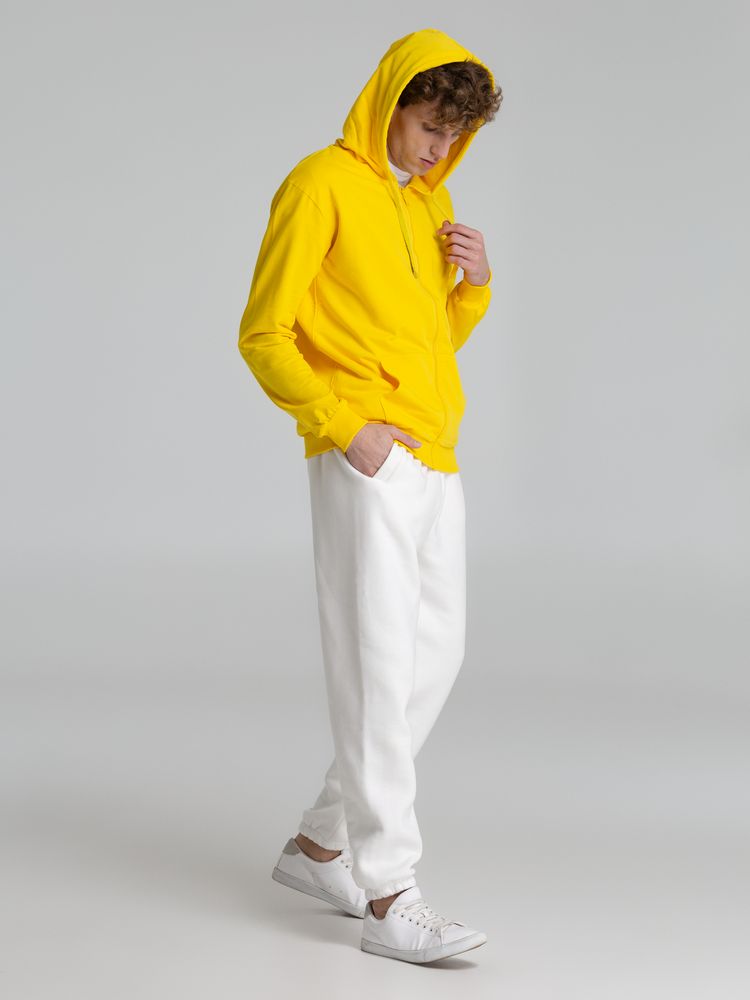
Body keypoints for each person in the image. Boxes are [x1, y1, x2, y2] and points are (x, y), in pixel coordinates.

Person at [237, 27, 501, 964]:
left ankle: (319, 845)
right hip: (369, 456)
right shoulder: (320, 184)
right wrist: (344, 426)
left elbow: (425, 346)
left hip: (435, 455)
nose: (438, 148)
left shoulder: (431, 203)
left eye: (453, 134)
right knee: (378, 665)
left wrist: (471, 287)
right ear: (389, 102)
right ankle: (390, 894)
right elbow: (264, 332)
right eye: (428, 126)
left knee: (434, 657)